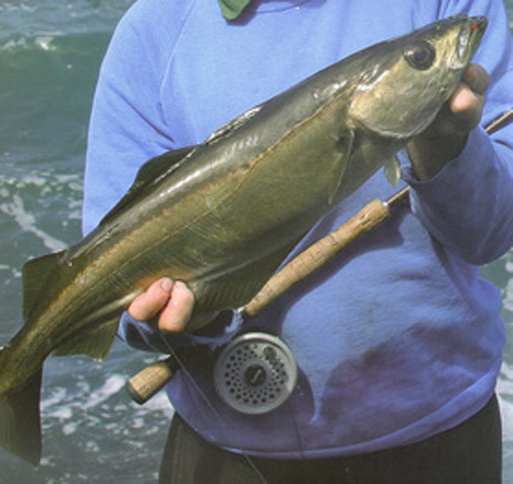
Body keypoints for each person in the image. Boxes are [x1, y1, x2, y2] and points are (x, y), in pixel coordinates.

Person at [83, 0, 513, 482]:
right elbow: (117, 297)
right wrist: (182, 318)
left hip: (440, 431)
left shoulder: (447, 8)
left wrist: (446, 146)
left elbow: (493, 232)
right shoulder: (154, 30)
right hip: (229, 445)